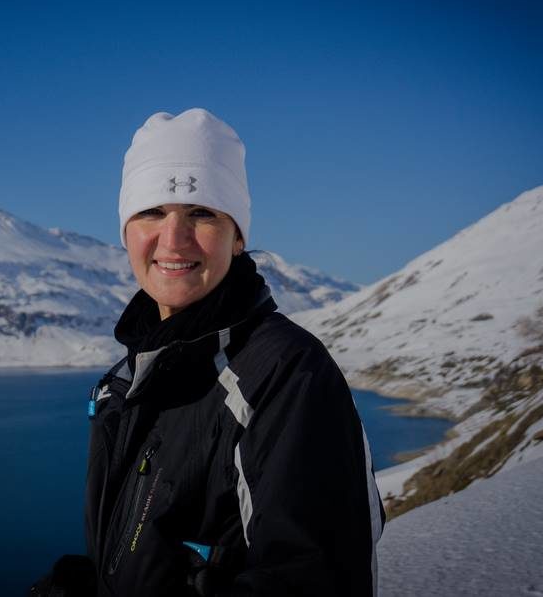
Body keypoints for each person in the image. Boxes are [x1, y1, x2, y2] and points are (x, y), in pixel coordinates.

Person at [30, 109, 384, 596]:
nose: (173, 239)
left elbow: (316, 580)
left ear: (238, 237)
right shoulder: (127, 378)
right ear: (126, 231)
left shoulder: (284, 374)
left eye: (202, 213)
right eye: (151, 212)